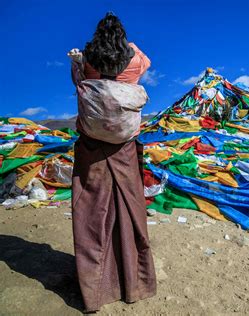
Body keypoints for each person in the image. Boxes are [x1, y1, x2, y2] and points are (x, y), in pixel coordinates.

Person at [69, 12, 156, 312]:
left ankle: (94, 289)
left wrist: (78, 60)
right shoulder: (132, 59)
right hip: (124, 148)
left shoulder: (89, 59)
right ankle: (133, 281)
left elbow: (77, 80)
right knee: (129, 209)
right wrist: (130, 46)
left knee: (92, 213)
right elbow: (145, 63)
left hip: (91, 146)